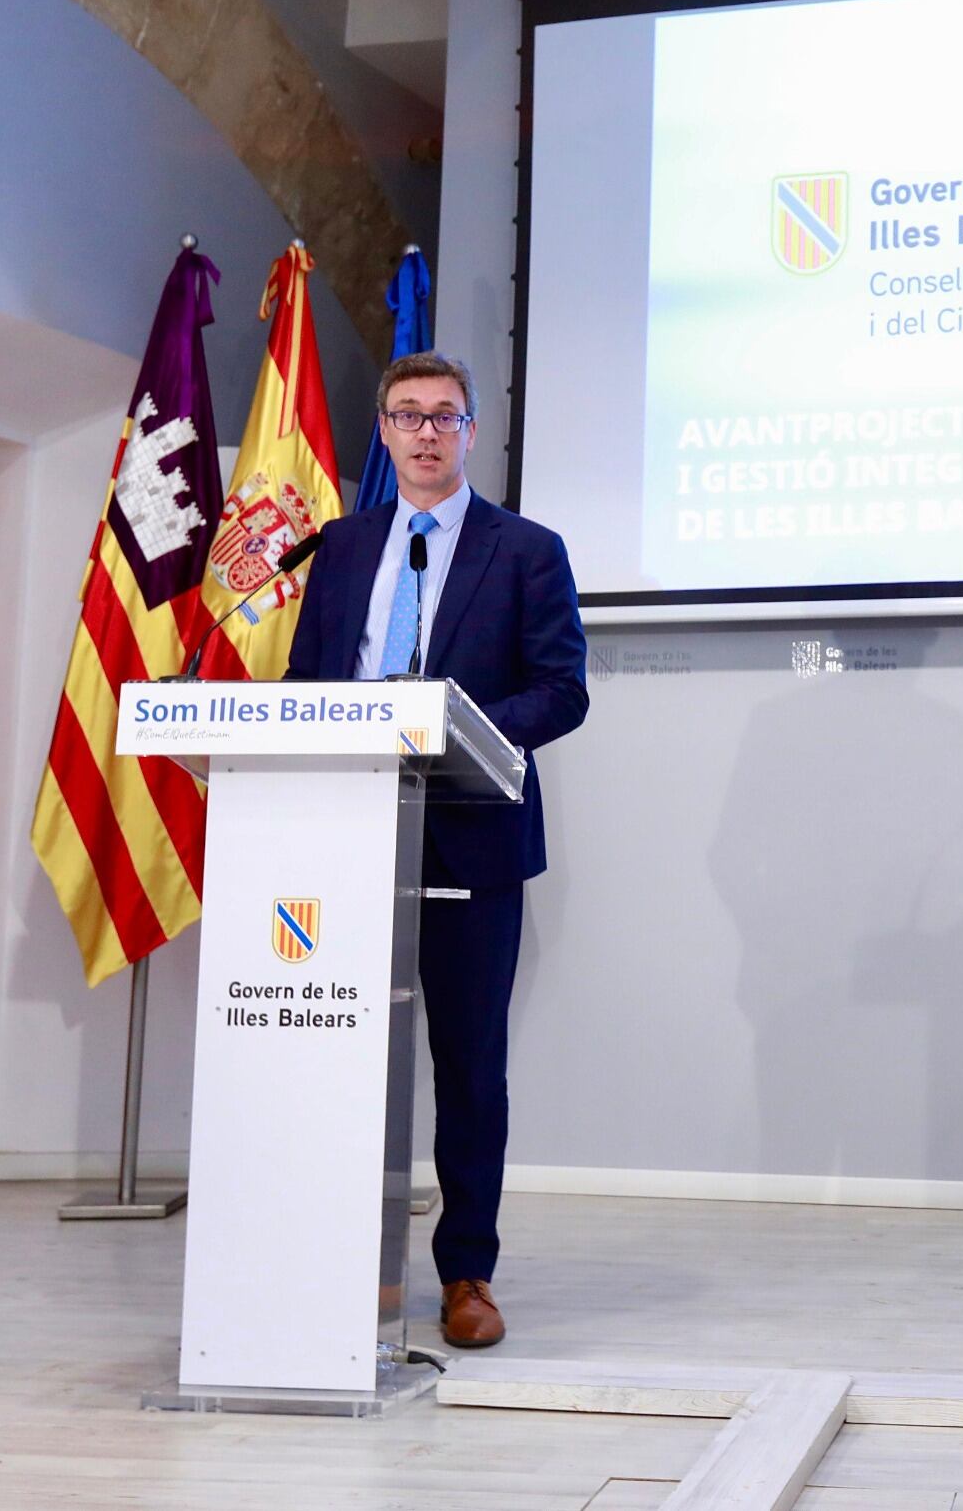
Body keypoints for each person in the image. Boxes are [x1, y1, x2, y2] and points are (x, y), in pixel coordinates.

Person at [285, 351, 589, 1348]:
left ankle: (466, 1271)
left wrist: (452, 724)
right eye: (406, 415)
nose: (424, 431)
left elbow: (561, 688)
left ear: (469, 431)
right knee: (341, 1051)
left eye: (443, 416)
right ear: (382, 429)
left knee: (467, 1064)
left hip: (470, 841)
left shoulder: (527, 549)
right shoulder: (340, 544)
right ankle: (348, 1261)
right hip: (348, 832)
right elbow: (306, 678)